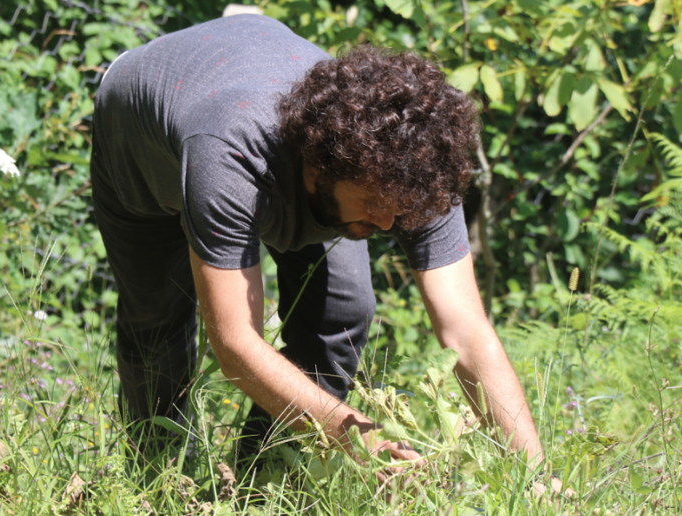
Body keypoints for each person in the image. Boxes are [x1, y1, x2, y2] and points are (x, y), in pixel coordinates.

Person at [91, 13, 545, 481]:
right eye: (374, 203)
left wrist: (536, 482)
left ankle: (262, 485)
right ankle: (159, 479)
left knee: (341, 314)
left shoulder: (418, 166)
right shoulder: (232, 149)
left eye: (400, 209)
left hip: (252, 107)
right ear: (323, 163)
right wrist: (359, 439)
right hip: (137, 137)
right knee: (157, 326)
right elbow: (235, 343)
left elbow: (467, 332)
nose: (389, 223)